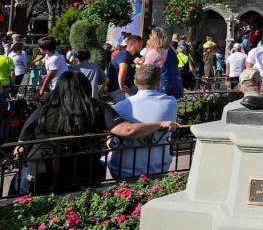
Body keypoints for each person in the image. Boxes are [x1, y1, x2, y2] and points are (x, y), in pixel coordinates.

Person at [15, 71, 178, 193]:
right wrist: (160, 124)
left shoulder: (42, 112)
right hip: (85, 176)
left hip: (42, 176)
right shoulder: (97, 108)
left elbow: (20, 149)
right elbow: (127, 130)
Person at [107, 64, 179, 180]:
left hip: (123, 170)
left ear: (135, 82)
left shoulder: (120, 107)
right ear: (158, 83)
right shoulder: (171, 102)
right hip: (158, 168)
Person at [141, 28, 184, 99]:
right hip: (176, 81)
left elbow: (145, 70)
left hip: (162, 84)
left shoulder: (154, 52)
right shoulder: (171, 48)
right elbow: (176, 61)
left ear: (153, 38)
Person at [108, 35, 143, 101]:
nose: (141, 47)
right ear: (136, 44)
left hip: (129, 87)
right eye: (141, 45)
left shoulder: (130, 55)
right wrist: (122, 86)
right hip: (119, 90)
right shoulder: (124, 55)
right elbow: (123, 69)